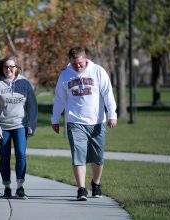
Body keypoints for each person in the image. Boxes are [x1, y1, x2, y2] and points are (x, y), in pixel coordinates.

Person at [51, 47, 117, 201]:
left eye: (80, 63)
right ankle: (81, 189)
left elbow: (108, 94)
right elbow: (59, 98)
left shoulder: (98, 71)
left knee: (98, 158)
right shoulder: (65, 75)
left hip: (97, 122)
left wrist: (112, 115)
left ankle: (96, 183)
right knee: (78, 155)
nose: (78, 66)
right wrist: (55, 119)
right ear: (70, 61)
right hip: (75, 122)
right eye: (74, 64)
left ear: (85, 58)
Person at [0, 56, 38, 199]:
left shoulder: (24, 83)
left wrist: (31, 125)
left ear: (17, 68)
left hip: (20, 126)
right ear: (2, 68)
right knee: (5, 157)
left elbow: (32, 105)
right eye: (5, 67)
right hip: (3, 127)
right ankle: (7, 187)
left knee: (21, 155)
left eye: (11, 66)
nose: (8, 69)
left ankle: (20, 187)